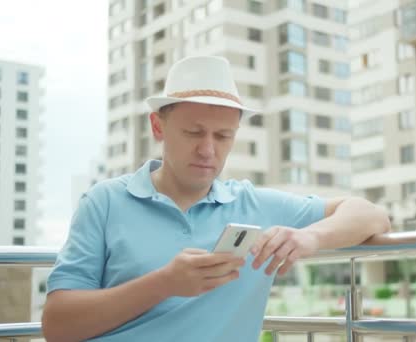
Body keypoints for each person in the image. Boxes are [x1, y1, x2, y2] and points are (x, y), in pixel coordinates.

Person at [41, 56, 390, 342]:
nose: (208, 149)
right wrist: (165, 283)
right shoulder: (104, 202)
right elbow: (57, 325)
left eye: (223, 136)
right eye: (193, 132)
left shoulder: (256, 205)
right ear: (158, 127)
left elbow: (370, 214)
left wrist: (310, 237)